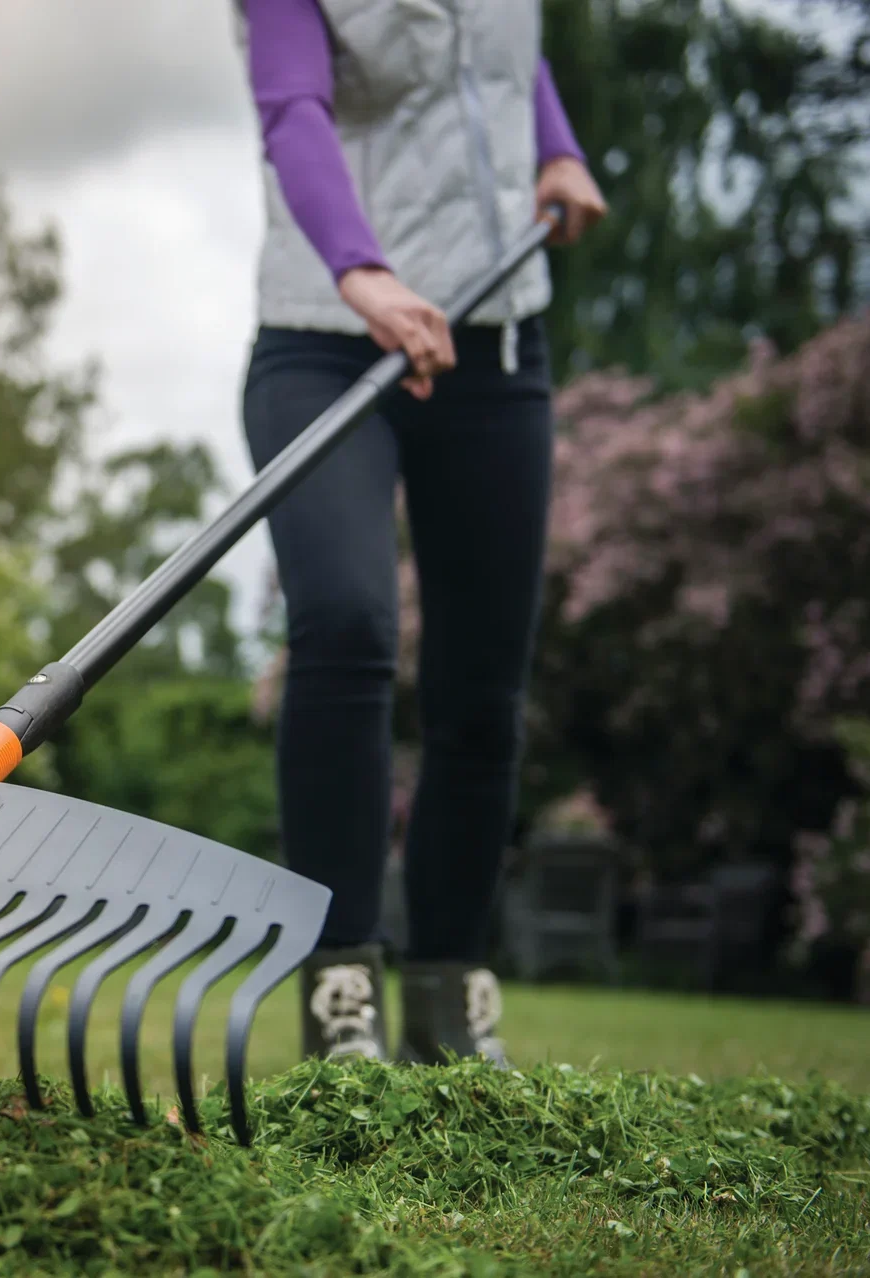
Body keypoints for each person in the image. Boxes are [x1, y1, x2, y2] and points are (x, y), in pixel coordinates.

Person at [233, 0, 608, 1064]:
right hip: (324, 339)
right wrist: (365, 270)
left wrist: (559, 144)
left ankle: (449, 1006)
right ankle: (340, 997)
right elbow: (291, 107)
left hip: (494, 345)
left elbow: (493, 57)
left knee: (482, 688)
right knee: (346, 623)